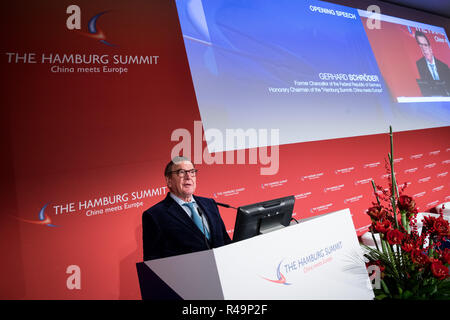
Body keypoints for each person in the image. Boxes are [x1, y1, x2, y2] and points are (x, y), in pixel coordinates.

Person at [142, 156, 231, 261]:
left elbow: (225, 241)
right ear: (169, 180)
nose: (188, 176)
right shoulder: (155, 215)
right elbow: (152, 260)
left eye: (192, 172)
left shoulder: (209, 203)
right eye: (181, 172)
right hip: (186, 275)